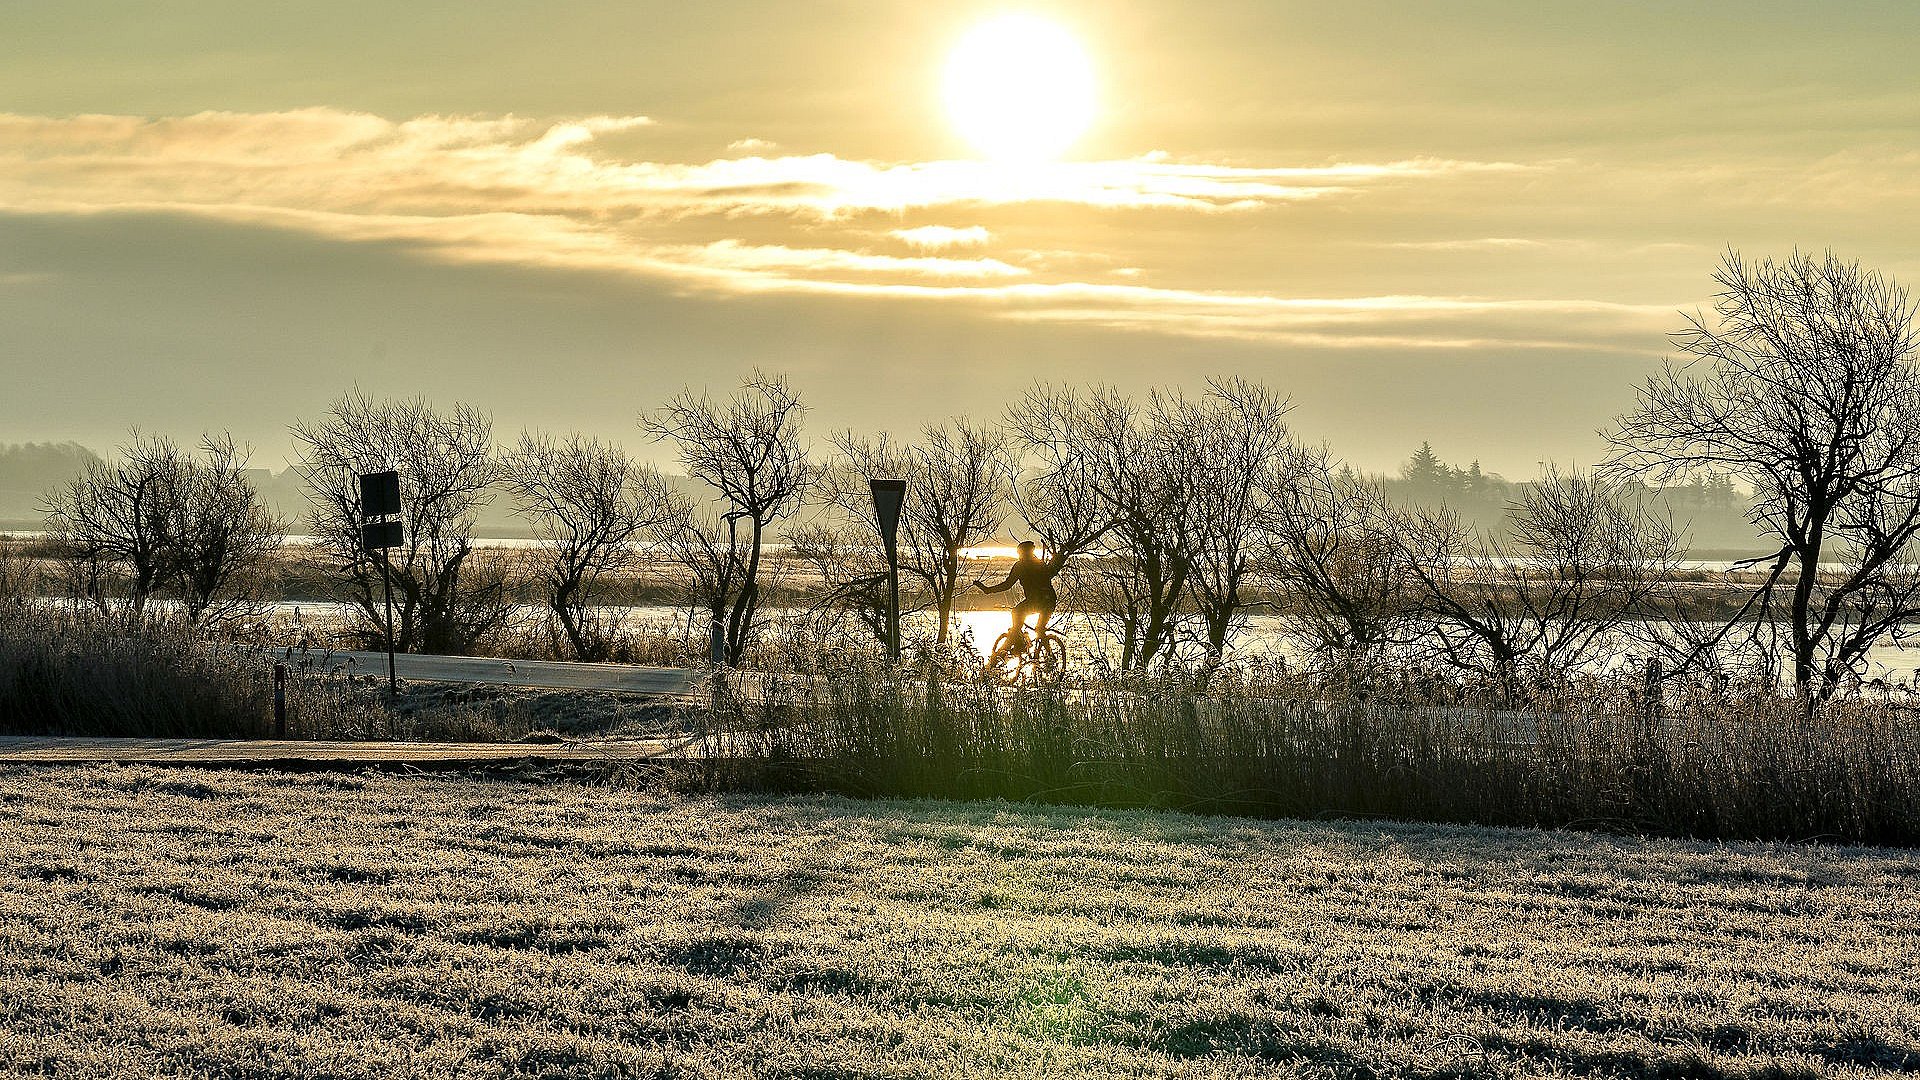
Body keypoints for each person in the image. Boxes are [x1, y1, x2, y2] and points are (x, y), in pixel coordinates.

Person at [974, 541, 1059, 661]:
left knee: (1016, 613)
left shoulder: (1021, 565)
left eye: (1020, 553)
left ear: (1022, 553)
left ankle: (1017, 645)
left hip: (1037, 601)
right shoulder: (1040, 563)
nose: (1019, 555)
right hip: (1049, 601)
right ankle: (1049, 657)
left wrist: (988, 590)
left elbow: (1007, 585)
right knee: (1039, 628)